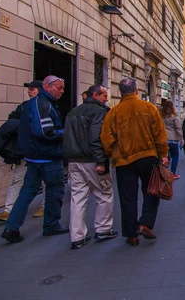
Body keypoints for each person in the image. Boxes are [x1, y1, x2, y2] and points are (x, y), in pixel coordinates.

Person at [100, 78, 169, 247]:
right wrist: (163, 154)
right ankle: (145, 223)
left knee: (127, 197)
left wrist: (113, 154)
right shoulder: (150, 108)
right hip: (148, 157)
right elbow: (159, 134)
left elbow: (106, 139)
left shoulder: (113, 113)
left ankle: (131, 234)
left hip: (124, 161)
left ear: (120, 92)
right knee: (152, 190)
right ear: (136, 91)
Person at [2, 76, 68, 243]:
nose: (61, 91)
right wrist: (64, 133)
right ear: (47, 87)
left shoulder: (31, 104)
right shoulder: (43, 105)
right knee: (54, 191)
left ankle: (11, 227)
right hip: (48, 157)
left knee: (26, 192)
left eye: (62, 88)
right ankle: (51, 225)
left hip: (34, 157)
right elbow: (46, 132)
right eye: (59, 88)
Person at [64, 85, 117, 250]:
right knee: (104, 193)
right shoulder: (98, 112)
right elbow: (96, 139)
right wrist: (101, 162)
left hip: (74, 160)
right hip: (91, 160)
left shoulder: (73, 112)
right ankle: (103, 229)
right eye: (104, 96)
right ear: (95, 95)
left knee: (77, 198)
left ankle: (77, 237)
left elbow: (66, 137)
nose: (106, 99)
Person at [0, 81, 46, 222]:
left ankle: (46, 206)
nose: (29, 92)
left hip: (41, 151)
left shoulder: (45, 106)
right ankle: (8, 210)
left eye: (32, 89)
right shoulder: (24, 106)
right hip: (24, 151)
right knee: (18, 179)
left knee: (45, 180)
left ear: (39, 91)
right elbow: (12, 118)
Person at [161, 101, 183, 180]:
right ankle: (172, 173)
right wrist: (181, 138)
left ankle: (163, 173)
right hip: (173, 139)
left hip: (164, 138)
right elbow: (178, 128)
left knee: (165, 156)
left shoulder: (161, 117)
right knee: (175, 156)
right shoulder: (174, 117)